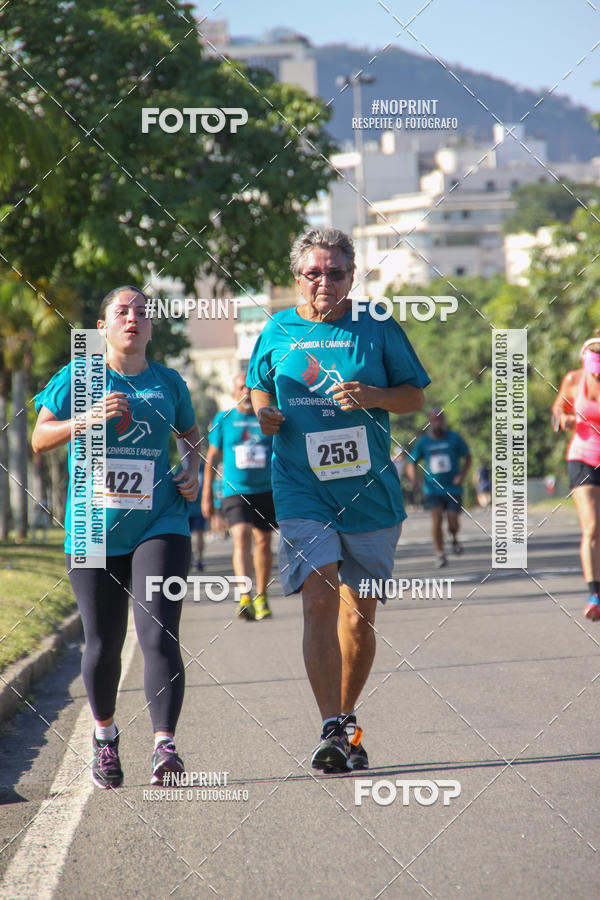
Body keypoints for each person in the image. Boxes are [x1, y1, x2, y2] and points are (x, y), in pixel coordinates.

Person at [247, 227, 429, 772]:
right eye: (313, 273)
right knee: (319, 597)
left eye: (336, 273)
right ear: (296, 278)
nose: (324, 282)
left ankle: (347, 721)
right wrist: (264, 412)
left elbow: (415, 395)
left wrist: (374, 396)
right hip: (301, 487)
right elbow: (258, 383)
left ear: (353, 275)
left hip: (370, 493)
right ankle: (329, 727)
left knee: (359, 618)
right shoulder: (277, 328)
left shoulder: (375, 326)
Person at [32, 285, 201, 789]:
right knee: (103, 643)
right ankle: (105, 738)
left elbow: (191, 436)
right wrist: (84, 419)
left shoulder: (169, 382)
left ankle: (164, 746)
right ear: (101, 327)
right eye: (122, 312)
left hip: (160, 521)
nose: (134, 319)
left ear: (151, 327)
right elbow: (40, 438)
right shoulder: (80, 377)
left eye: (143, 312)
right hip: (92, 527)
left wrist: (192, 468)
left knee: (158, 633)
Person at [202, 374, 276, 621]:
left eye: (250, 387)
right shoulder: (223, 419)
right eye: (241, 387)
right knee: (241, 537)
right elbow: (211, 457)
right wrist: (206, 496)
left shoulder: (267, 416)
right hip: (235, 491)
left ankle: (262, 595)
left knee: (264, 542)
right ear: (234, 393)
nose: (245, 391)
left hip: (266, 490)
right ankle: (245, 595)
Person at [553, 335, 600, 620]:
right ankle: (594, 594)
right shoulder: (573, 379)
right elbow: (558, 408)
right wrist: (563, 418)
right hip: (582, 458)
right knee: (592, 527)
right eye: (593, 367)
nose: (596, 374)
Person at [405, 409, 472, 568]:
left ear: (444, 420)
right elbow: (410, 462)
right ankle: (440, 553)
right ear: (429, 422)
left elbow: (468, 457)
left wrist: (462, 475)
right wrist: (414, 479)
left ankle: (454, 537)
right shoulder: (424, 442)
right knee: (436, 519)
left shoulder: (454, 438)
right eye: (433, 420)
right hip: (433, 489)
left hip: (453, 488)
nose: (437, 423)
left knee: (452, 521)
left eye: (439, 420)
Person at [187, 469, 207, 571]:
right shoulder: (182, 468)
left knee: (199, 534)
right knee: (188, 536)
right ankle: (191, 559)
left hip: (199, 509)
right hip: (187, 509)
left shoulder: (204, 468)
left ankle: (199, 559)